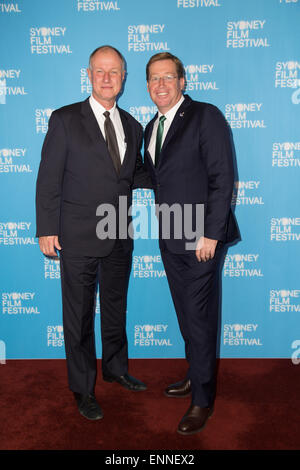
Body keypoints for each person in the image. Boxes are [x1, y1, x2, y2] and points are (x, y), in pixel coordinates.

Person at [36, 45, 152, 421]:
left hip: (120, 235)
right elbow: (48, 178)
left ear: (123, 78)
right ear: (89, 75)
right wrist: (46, 228)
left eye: (114, 72)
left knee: (116, 308)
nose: (106, 78)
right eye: (99, 71)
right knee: (80, 314)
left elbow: (136, 176)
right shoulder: (65, 119)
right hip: (77, 236)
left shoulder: (133, 126)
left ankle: (116, 369)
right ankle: (83, 387)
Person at [144, 52, 239, 435]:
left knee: (199, 318)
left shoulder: (206, 116)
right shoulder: (153, 126)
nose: (161, 85)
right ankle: (195, 373)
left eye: (168, 77)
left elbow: (222, 177)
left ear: (183, 81)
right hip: (170, 236)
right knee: (186, 315)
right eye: (153, 78)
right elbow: (157, 178)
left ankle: (202, 399)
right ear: (147, 85)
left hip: (202, 239)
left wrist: (212, 234)